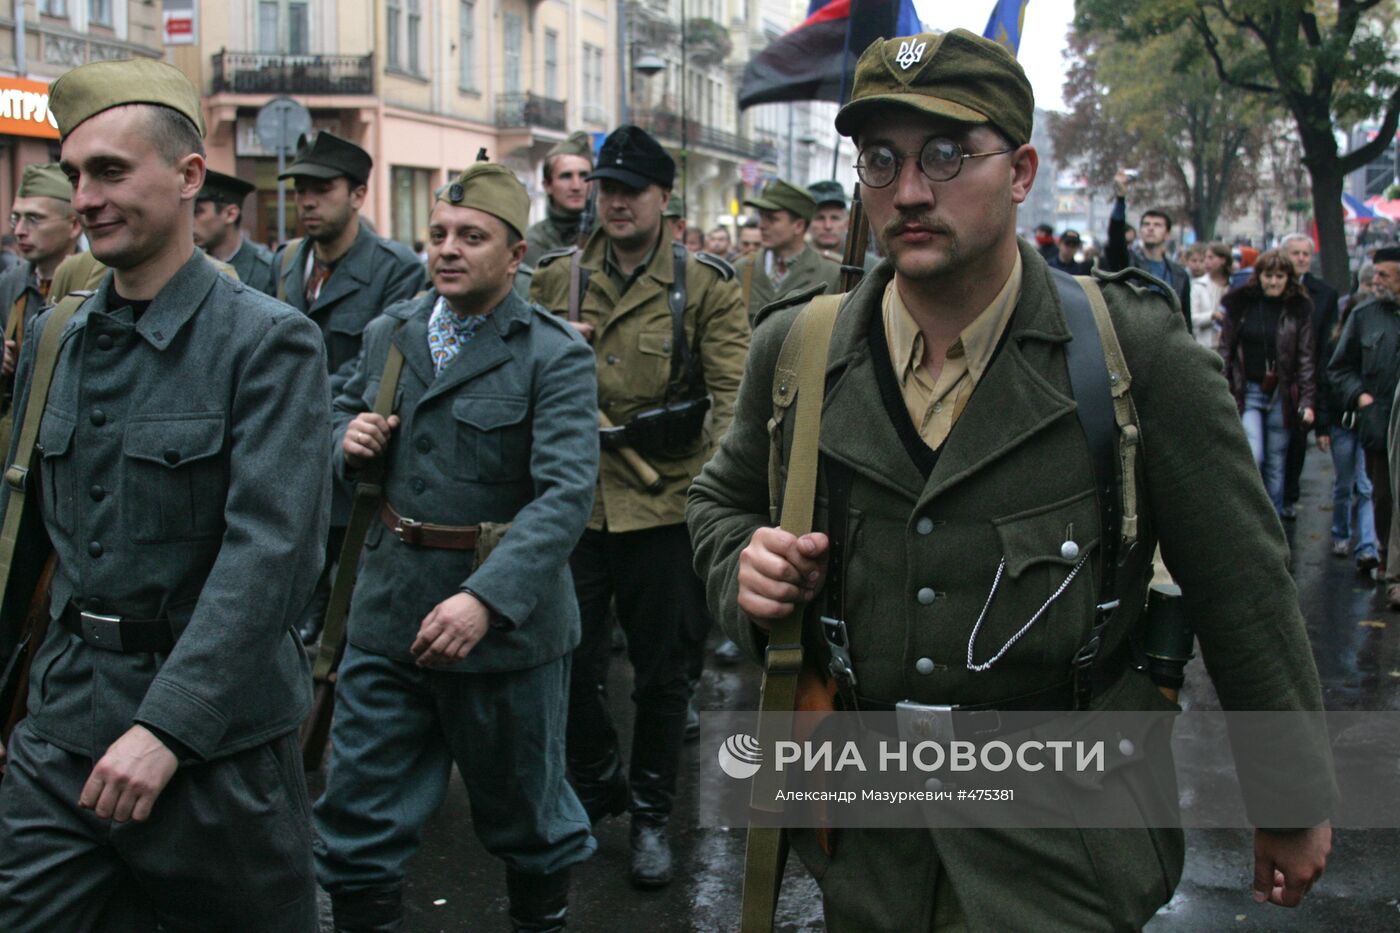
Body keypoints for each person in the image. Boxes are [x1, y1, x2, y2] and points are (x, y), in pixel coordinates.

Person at [688, 29, 1331, 931]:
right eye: (882, 159)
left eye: (948, 155)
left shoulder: (1130, 353)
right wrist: (742, 569)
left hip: (1064, 843)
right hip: (869, 842)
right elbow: (718, 504)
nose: (909, 190)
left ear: (1022, 170)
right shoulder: (799, 349)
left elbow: (1244, 584)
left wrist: (1291, 798)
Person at [0, 58, 330, 929]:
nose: (87, 197)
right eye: (76, 175)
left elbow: (272, 555)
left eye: (111, 170)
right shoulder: (56, 337)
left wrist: (168, 729)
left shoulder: (267, 343)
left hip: (215, 750)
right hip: (61, 729)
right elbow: (22, 535)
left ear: (189, 177)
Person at [312, 162, 599, 932]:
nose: (448, 249)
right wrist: (348, 437)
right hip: (388, 615)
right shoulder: (391, 336)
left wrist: (485, 598)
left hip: (507, 634)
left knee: (531, 824)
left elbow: (566, 494)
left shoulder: (553, 355)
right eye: (438, 233)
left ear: (514, 255)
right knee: (355, 823)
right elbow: (330, 418)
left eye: (472, 237)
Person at [529, 125, 749, 889]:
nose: (617, 203)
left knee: (664, 676)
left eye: (633, 191)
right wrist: (554, 345)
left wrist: (711, 496)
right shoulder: (556, 278)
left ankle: (653, 815)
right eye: (607, 190)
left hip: (664, 503)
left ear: (664, 199)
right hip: (575, 499)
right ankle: (597, 788)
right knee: (568, 660)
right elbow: (515, 363)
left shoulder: (707, 284)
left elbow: (733, 397)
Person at [275, 130, 426, 645]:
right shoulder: (289, 261)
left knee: (351, 611)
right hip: (290, 453)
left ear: (359, 194)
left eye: (323, 188)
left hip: (351, 457)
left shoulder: (396, 268)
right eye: (300, 190)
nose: (308, 201)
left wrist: (295, 399)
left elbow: (379, 365)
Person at [1218, 249, 1317, 515]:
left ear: (1288, 278)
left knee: (1276, 461)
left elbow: (1306, 359)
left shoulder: (1298, 310)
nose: (1273, 282)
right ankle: (1251, 518)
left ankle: (1272, 525)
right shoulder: (1241, 306)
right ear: (1258, 276)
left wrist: (1308, 401)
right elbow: (1226, 349)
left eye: (1279, 276)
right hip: (1247, 388)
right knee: (1254, 454)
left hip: (1281, 393)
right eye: (1268, 275)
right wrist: (1222, 386)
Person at [1331, 246, 1400, 605]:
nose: (1375, 281)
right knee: (1385, 496)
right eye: (1374, 274)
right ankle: (1390, 565)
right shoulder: (1364, 315)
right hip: (1381, 425)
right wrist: (1360, 397)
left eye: (1385, 275)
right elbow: (1339, 368)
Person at [1315, 274, 1379, 572]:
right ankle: (1341, 533)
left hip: (1367, 423)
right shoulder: (1336, 345)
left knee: (1365, 486)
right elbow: (1327, 387)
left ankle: (1367, 545)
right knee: (1343, 484)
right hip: (1342, 423)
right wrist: (1323, 426)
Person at [0, 164, 81, 382]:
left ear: (74, 225)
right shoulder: (9, 283)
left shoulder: (100, 281)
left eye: (34, 219)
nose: (19, 231)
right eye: (16, 218)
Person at [1279, 233, 1338, 520]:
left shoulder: (1324, 294)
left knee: (1297, 440)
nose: (1301, 258)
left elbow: (1326, 342)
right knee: (1272, 442)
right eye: (1295, 253)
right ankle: (1274, 497)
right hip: (1275, 377)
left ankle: (1289, 495)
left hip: (1306, 376)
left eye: (1306, 253)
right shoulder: (1271, 286)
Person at [733, 179, 841, 322]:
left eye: (772, 219)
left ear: (798, 226)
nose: (762, 225)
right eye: (761, 217)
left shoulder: (831, 274)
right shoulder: (742, 269)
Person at [1103, 171, 1191, 326]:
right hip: (1136, 336)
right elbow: (1115, 240)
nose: (1150, 229)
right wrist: (1121, 198)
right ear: (1141, 231)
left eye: (1157, 225)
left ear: (1167, 234)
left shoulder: (1179, 274)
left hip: (1169, 340)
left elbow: (1186, 318)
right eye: (1146, 224)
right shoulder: (1129, 265)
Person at [192, 169, 275, 295]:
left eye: (197, 212)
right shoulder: (192, 266)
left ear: (230, 214)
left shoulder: (267, 270)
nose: (189, 221)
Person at [524, 131, 594, 267]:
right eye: (566, 176)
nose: (576, 186)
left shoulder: (609, 234)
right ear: (547, 185)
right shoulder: (533, 242)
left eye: (584, 176)